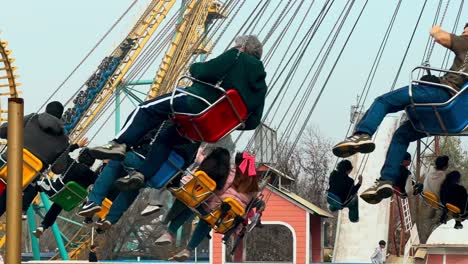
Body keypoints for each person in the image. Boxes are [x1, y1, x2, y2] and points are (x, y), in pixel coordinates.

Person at [89, 35, 267, 192]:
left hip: (195, 102)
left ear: (242, 48)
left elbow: (203, 71)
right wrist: (225, 119)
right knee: (166, 138)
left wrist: (196, 67)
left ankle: (119, 144)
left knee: (146, 110)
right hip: (209, 129)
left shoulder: (236, 56)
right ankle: (142, 175)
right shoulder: (261, 87)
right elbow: (252, 122)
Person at [332, 24, 468, 205]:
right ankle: (386, 180)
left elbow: (439, 36)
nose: (462, 33)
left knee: (383, 101)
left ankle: (363, 134)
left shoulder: (466, 42)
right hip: (452, 116)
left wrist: (436, 29)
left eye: (465, 30)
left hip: (441, 95)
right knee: (402, 135)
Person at [159, 151, 259, 262]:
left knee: (192, 204)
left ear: (237, 163)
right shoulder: (254, 184)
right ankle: (188, 250)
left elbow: (220, 190)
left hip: (215, 207)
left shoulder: (232, 173)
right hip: (226, 218)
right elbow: (250, 204)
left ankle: (170, 232)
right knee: (209, 221)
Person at [0, 101, 70, 219]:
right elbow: (58, 169)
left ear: (46, 110)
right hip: (24, 182)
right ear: (60, 117)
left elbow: (3, 131)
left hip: (4, 167)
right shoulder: (64, 141)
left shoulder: (32, 118)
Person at [33, 143, 99, 238]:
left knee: (37, 183)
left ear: (80, 156)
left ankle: (24, 205)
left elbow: (62, 153)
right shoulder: (91, 176)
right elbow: (102, 181)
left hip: (56, 191)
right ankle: (43, 226)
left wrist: (76, 145)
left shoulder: (71, 163)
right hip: (69, 200)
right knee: (57, 206)